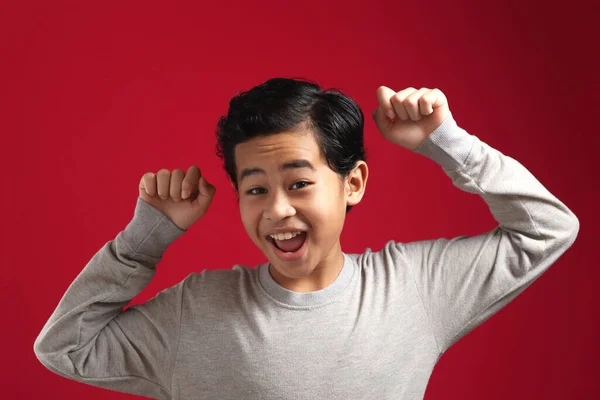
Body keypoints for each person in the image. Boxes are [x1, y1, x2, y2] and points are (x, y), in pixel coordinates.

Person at [33, 78, 579, 400]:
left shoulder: (416, 288)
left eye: (299, 183)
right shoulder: (197, 311)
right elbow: (64, 347)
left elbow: (548, 228)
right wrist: (143, 241)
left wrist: (448, 143)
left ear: (353, 184)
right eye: (255, 189)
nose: (277, 210)